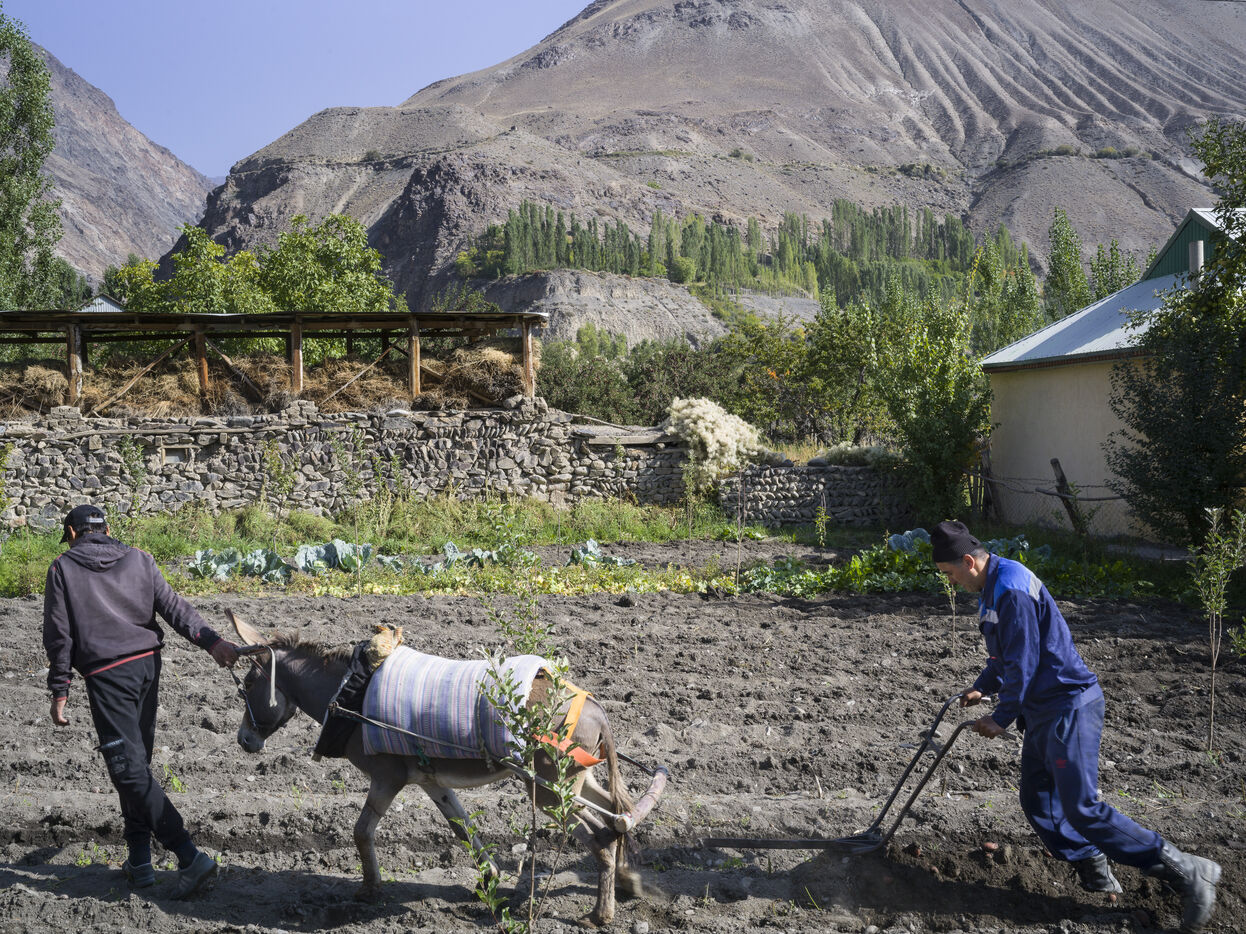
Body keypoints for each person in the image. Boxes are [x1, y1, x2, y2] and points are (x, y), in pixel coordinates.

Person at [930, 519, 1221, 934]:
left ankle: (1189, 870)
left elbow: (1024, 662)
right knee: (1037, 799)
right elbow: (1003, 656)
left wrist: (1001, 717)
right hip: (1043, 709)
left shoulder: (1011, 589)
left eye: (950, 573)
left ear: (968, 561)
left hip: (1067, 706)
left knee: (1082, 807)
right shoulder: (991, 588)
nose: (951, 582)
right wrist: (982, 686)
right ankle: (1092, 863)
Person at [43, 504, 239, 898]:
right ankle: (139, 861)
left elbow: (59, 635)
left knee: (128, 770)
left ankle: (188, 856)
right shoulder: (139, 558)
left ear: (72, 533)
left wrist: (60, 689)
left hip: (107, 674)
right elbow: (175, 608)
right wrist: (212, 642)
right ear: (107, 528)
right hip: (147, 667)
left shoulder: (62, 568)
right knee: (136, 766)